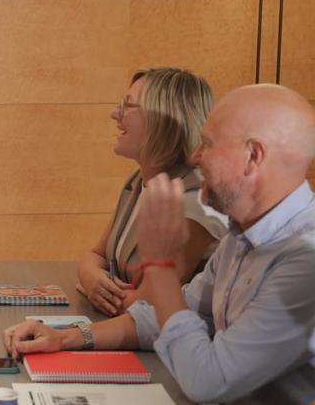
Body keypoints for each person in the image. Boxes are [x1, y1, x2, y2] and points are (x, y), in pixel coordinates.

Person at [4, 84, 315, 403]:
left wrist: (161, 267)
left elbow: (208, 381)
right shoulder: (242, 235)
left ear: (253, 156)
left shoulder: (306, 259)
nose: (195, 156)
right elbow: (171, 315)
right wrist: (67, 338)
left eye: (207, 144)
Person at [77, 68, 227, 316]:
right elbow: (95, 255)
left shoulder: (197, 202)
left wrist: (97, 290)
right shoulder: (138, 181)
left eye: (128, 106)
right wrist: (91, 277)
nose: (115, 114)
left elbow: (145, 305)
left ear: (163, 120)